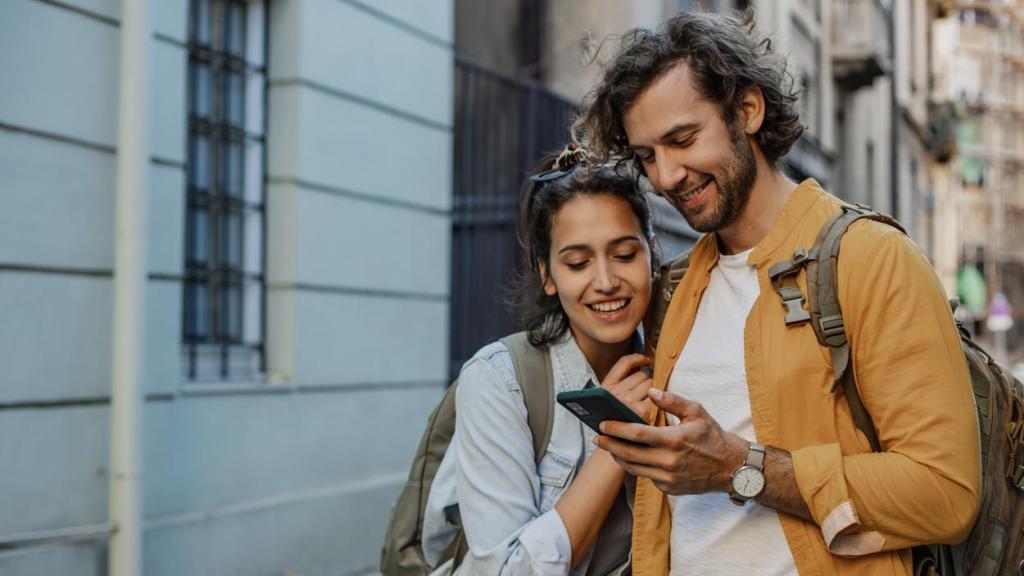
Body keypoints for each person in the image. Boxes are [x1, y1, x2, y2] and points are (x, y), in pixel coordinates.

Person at [573, 10, 981, 576]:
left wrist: (742, 468)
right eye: (647, 155)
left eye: (683, 139)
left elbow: (946, 494)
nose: (666, 176)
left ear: (747, 110)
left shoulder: (872, 258)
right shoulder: (674, 288)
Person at [423, 145, 657, 575]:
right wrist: (615, 444)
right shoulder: (499, 381)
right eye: (578, 263)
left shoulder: (679, 365)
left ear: (651, 255)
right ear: (547, 275)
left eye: (625, 255)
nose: (606, 281)